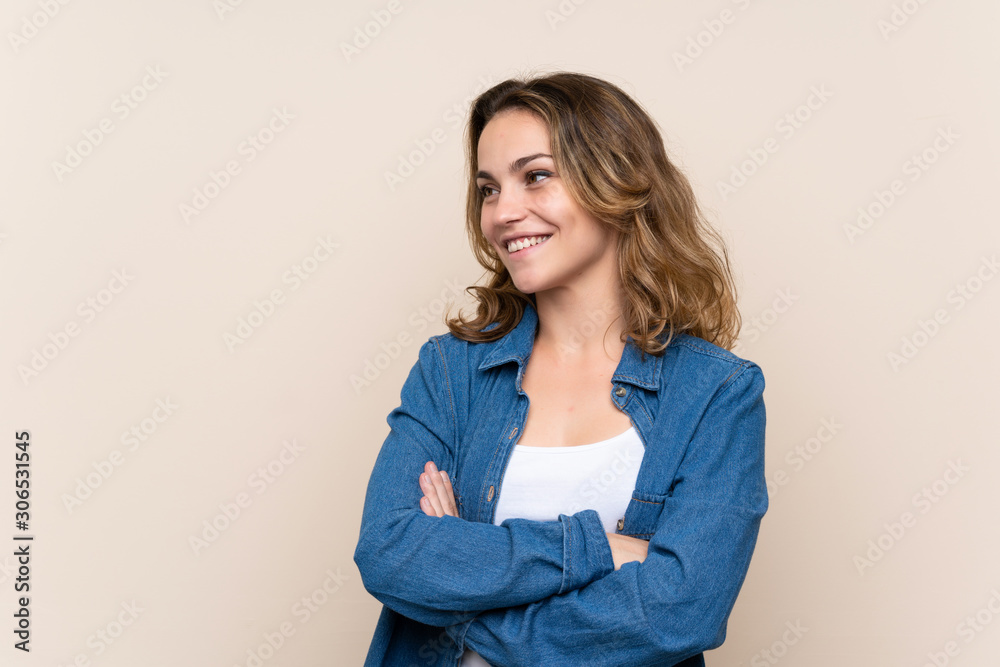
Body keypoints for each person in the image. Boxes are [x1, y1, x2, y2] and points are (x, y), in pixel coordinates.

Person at [354, 71, 768, 666]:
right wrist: (593, 547)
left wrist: (460, 588)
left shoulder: (716, 393)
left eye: (536, 176)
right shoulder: (450, 372)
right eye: (489, 188)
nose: (503, 212)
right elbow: (391, 552)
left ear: (617, 182)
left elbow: (679, 611)